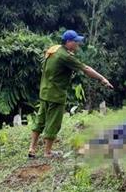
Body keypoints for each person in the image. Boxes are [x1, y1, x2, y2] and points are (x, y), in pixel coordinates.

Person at [28, 30, 114, 158]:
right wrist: (102, 79)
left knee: (41, 119)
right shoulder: (66, 57)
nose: (78, 44)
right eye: (76, 42)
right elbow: (86, 69)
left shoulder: (54, 49)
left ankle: (32, 148)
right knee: (53, 122)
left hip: (45, 91)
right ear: (68, 42)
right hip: (56, 94)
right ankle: (47, 152)